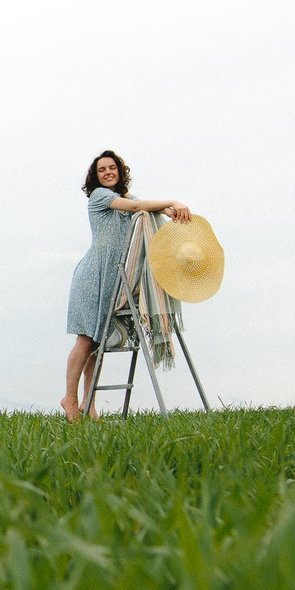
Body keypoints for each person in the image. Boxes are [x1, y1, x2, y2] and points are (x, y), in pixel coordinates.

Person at [63, 150, 190, 419]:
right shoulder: (100, 197)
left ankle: (90, 401)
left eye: (112, 168)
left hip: (115, 278)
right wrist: (173, 200)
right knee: (85, 340)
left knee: (98, 344)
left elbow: (143, 206)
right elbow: (136, 209)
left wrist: (172, 211)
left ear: (120, 171)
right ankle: (70, 399)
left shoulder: (127, 198)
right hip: (93, 276)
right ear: (95, 177)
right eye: (102, 170)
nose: (108, 172)